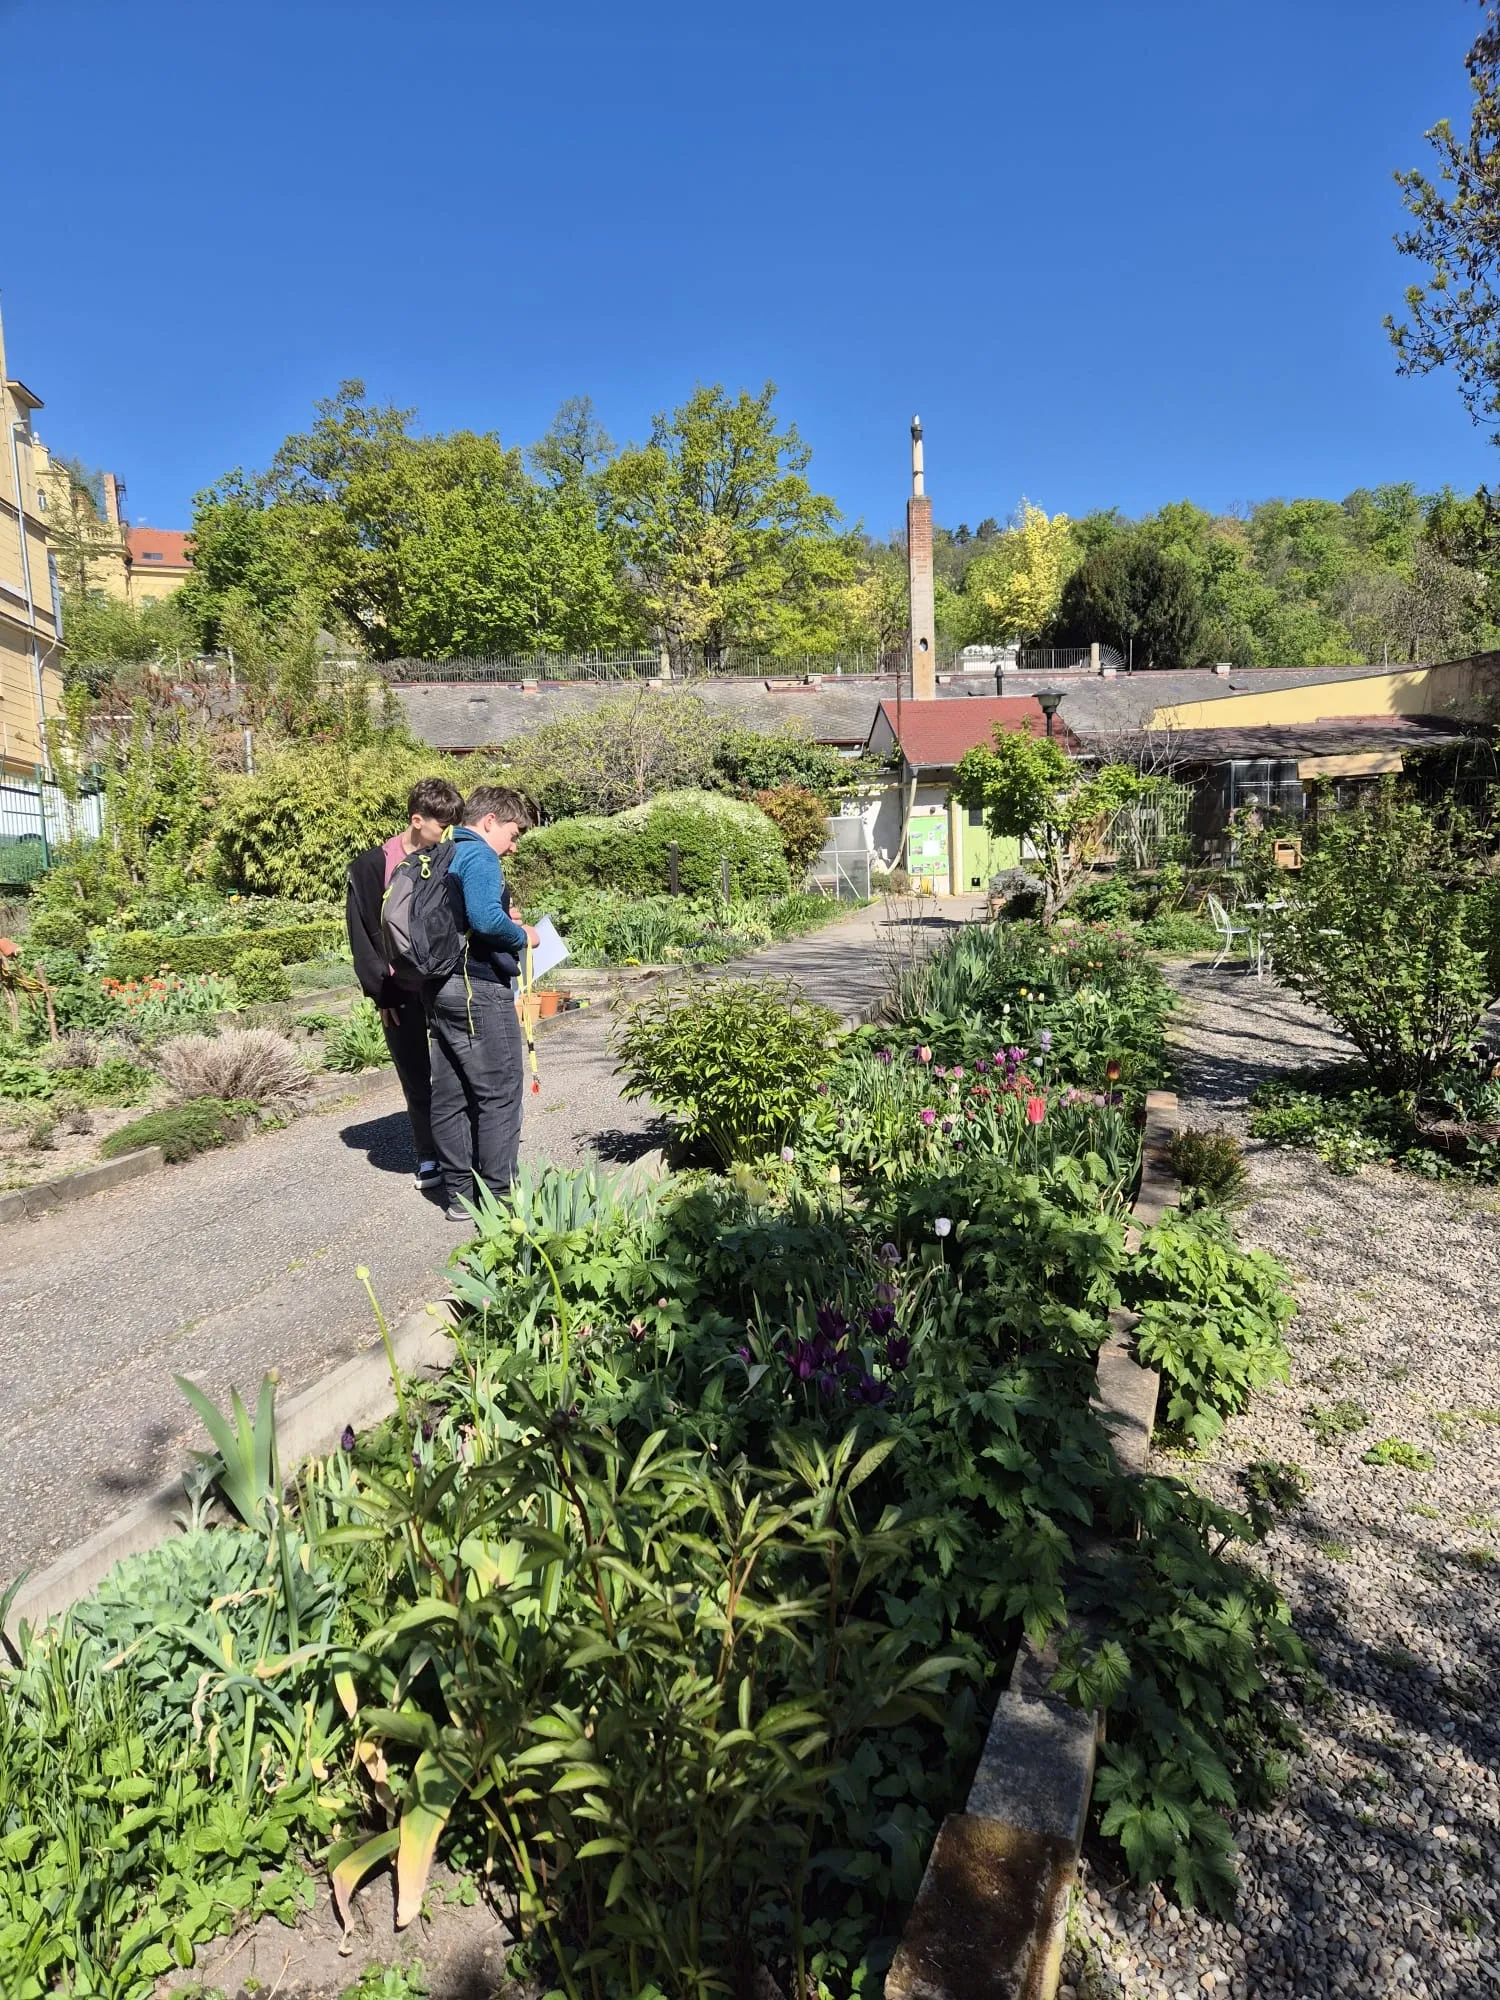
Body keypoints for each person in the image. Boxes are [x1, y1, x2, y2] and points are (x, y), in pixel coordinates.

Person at [345, 775, 464, 1191]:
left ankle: (461, 1151)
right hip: (399, 991)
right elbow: (362, 935)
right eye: (441, 826)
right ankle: (428, 1155)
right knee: (415, 1073)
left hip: (446, 981)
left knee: (458, 1068)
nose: (447, 835)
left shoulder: (450, 856)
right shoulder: (370, 867)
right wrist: (383, 994)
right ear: (417, 820)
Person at [428, 784, 539, 1220]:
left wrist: (498, 917)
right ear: (490, 820)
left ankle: (459, 1197)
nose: (513, 847)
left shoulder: (443, 851)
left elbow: (466, 915)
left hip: (441, 987)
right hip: (478, 988)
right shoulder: (479, 855)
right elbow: (485, 920)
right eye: (512, 834)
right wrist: (523, 935)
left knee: (452, 1092)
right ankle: (499, 1200)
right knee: (500, 1092)